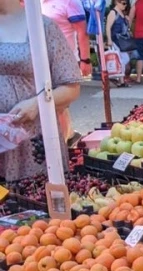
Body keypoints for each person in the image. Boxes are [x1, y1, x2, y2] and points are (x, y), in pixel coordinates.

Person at [0, 0, 82, 182]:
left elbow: (71, 87)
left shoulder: (42, 27)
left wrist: (37, 104)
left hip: (30, 141)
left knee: (33, 201)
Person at [41, 0, 92, 77]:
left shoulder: (70, 2)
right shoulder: (35, 4)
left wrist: (85, 60)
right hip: (43, 63)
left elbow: (82, 31)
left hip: (66, 62)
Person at [106, 0, 133, 87]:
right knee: (122, 59)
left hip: (121, 40)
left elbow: (126, 28)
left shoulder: (122, 14)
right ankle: (120, 80)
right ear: (117, 2)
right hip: (116, 40)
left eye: (126, 4)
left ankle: (120, 79)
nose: (125, 6)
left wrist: (128, 21)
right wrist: (109, 39)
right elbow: (108, 27)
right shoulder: (113, 13)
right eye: (123, 3)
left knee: (122, 59)